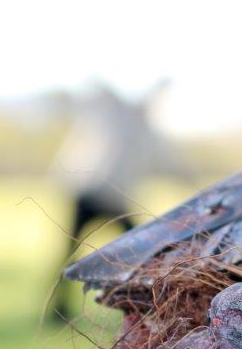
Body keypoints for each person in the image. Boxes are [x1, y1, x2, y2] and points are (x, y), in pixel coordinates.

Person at [49, 82, 185, 320]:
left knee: (144, 254)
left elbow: (172, 165)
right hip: (91, 195)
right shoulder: (114, 118)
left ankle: (150, 305)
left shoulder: (145, 132)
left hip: (115, 203)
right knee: (71, 255)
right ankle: (57, 309)